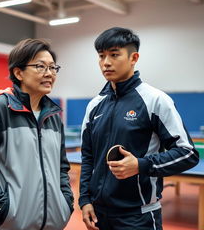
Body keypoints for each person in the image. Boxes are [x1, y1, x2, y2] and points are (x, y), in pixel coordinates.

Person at [79, 27, 199, 230]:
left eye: (114, 55)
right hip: (100, 214)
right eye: (101, 56)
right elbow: (88, 156)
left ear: (134, 57)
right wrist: (84, 200)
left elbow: (187, 154)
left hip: (139, 217)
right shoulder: (94, 105)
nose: (106, 62)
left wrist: (141, 165)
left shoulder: (156, 100)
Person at [0, 38, 74, 230]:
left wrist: (65, 203)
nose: (49, 74)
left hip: (53, 224)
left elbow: (61, 167)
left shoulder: (53, 117)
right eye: (40, 66)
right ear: (18, 72)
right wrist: (3, 208)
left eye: (53, 68)